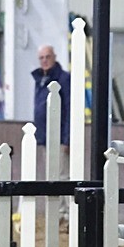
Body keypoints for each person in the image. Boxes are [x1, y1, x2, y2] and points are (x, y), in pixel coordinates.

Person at [32, 45, 71, 181]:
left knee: (61, 176)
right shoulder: (40, 80)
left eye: (47, 57)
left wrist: (67, 139)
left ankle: (64, 198)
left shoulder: (63, 78)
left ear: (54, 57)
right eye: (41, 58)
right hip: (45, 136)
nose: (44, 60)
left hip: (59, 136)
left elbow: (69, 108)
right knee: (50, 176)